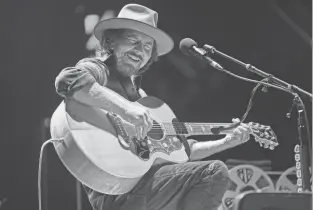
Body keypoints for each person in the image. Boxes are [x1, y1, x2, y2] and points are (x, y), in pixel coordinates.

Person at [54, 4, 250, 210]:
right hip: (118, 193)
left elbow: (182, 152)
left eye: (148, 46)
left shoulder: (142, 99)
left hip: (147, 191)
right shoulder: (100, 70)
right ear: (111, 41)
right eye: (133, 40)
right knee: (213, 173)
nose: (140, 50)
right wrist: (126, 110)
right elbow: (68, 79)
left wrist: (226, 141)